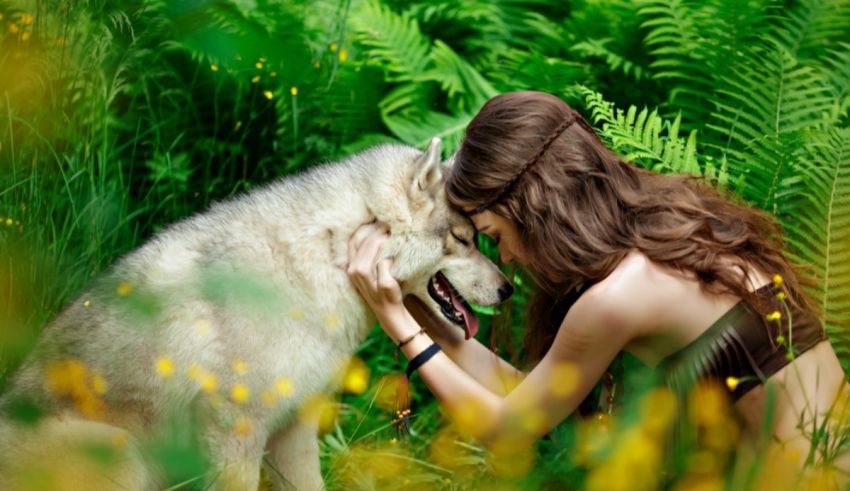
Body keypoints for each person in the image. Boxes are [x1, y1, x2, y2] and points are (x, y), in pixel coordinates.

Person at [346, 90, 848, 480]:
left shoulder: (618, 299)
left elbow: (508, 428)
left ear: (532, 209)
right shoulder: (669, 230)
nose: (505, 258)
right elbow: (529, 398)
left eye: (496, 236)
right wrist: (415, 301)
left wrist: (396, 323)